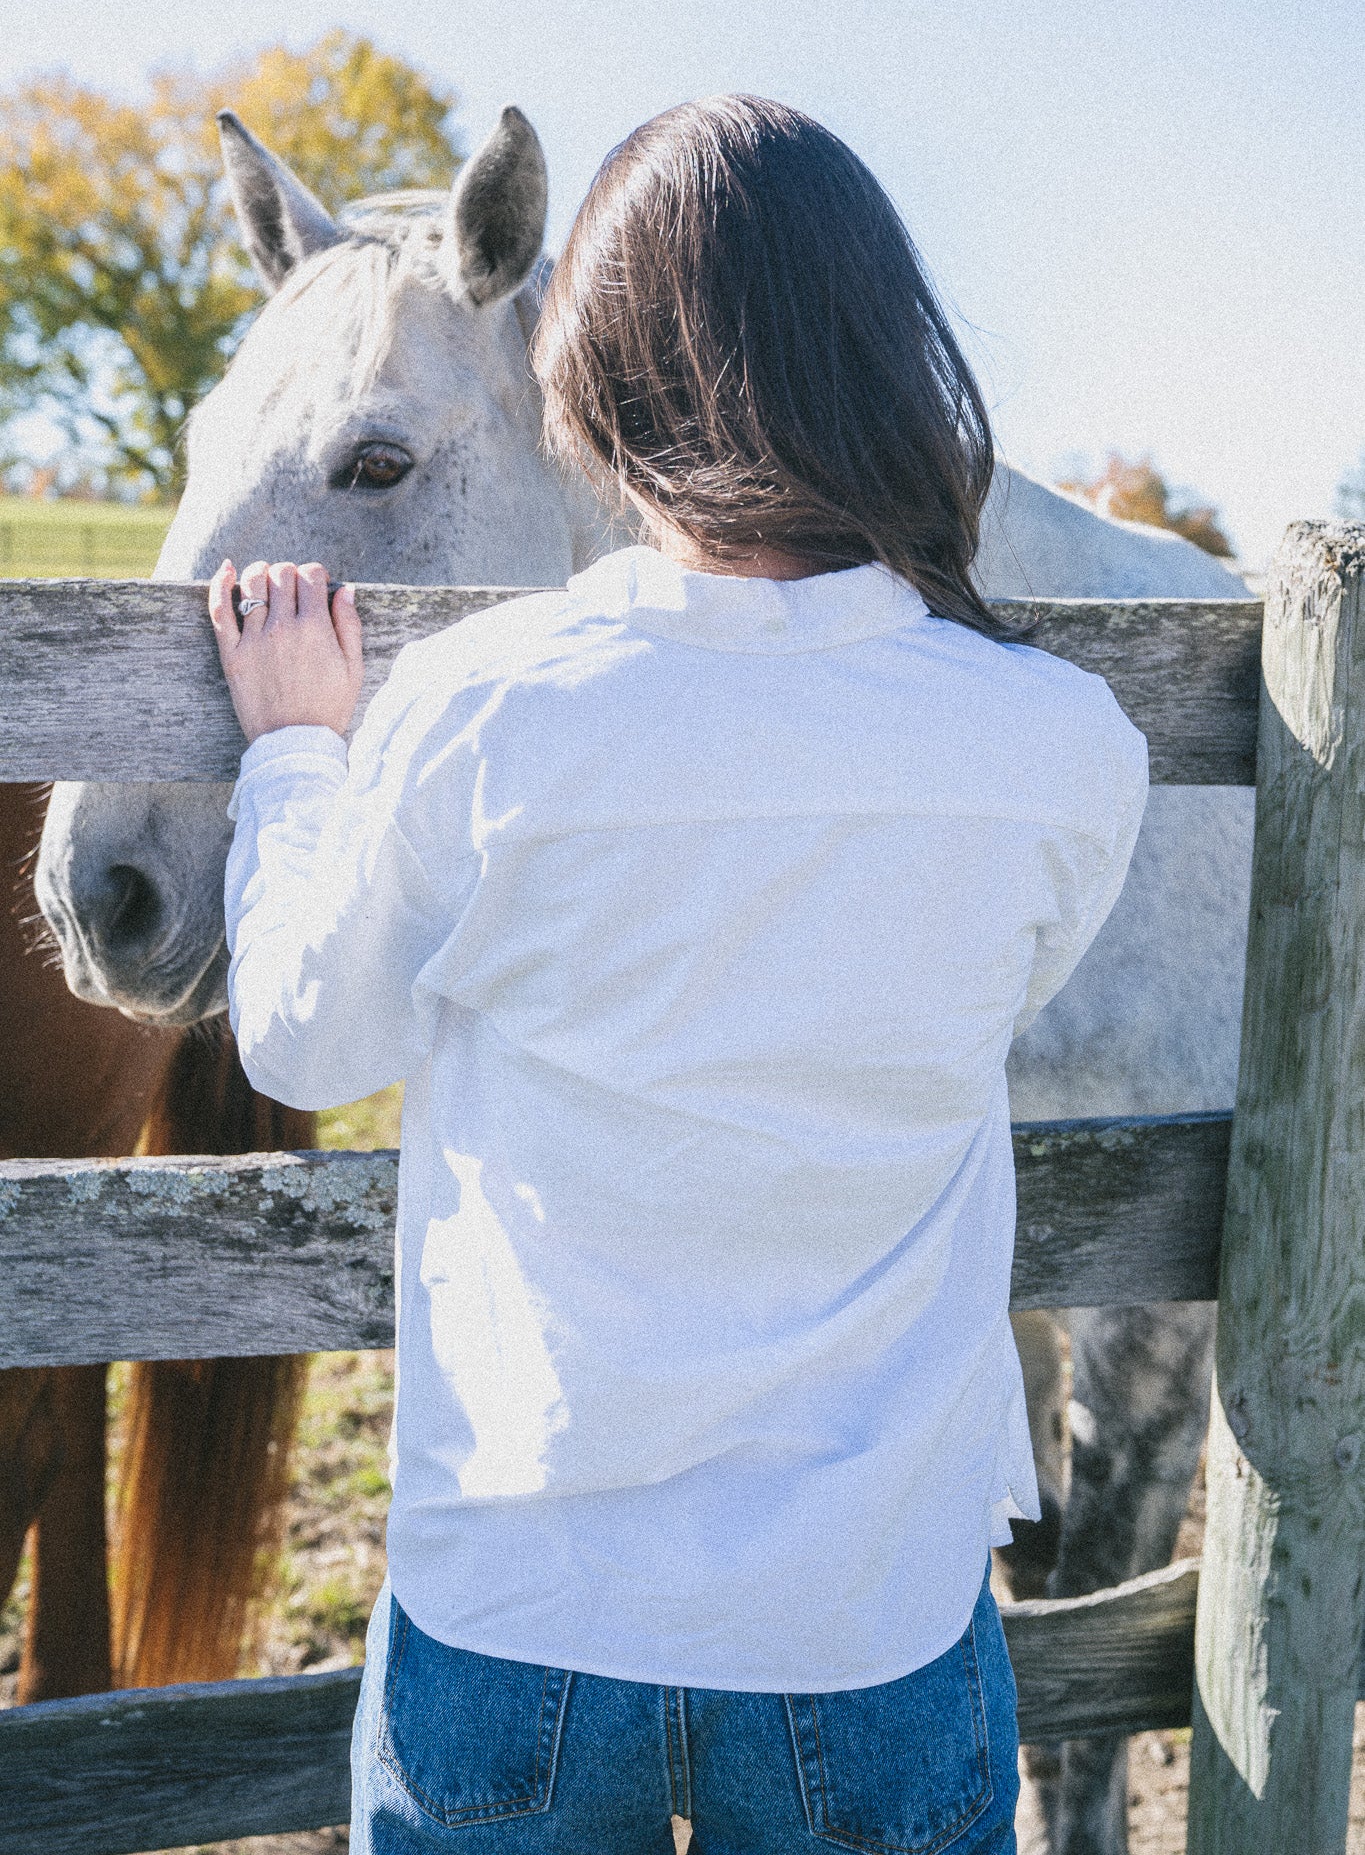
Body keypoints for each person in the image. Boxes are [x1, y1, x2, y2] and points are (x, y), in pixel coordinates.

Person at [209, 95, 1147, 1855]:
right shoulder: (1059, 743)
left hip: (525, 1596)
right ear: (887, 362)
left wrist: (292, 763)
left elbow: (304, 1037)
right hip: (871, 1612)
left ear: (589, 380)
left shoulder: (484, 708)